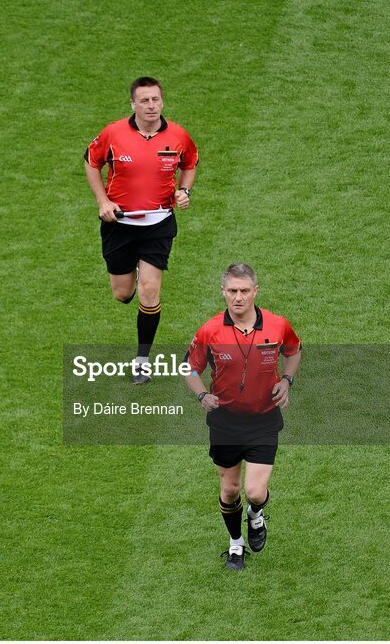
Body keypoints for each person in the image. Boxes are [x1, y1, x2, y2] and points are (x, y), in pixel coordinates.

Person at [184, 263, 302, 570]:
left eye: (245, 291)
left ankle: (256, 515)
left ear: (255, 292)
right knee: (231, 489)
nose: (238, 297)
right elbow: (190, 368)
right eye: (232, 291)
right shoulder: (210, 330)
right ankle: (236, 544)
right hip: (225, 422)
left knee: (254, 491)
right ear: (223, 292)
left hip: (263, 420)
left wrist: (286, 381)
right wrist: (201, 394)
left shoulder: (277, 325)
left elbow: (294, 350)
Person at [85, 76, 199, 384]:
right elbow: (91, 161)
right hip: (118, 224)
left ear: (162, 102)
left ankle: (141, 360)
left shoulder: (178, 136)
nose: (151, 106)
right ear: (133, 104)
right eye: (144, 100)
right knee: (123, 294)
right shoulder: (112, 133)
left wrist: (184, 192)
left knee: (150, 291)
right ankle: (132, 274)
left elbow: (190, 163)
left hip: (159, 224)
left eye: (155, 100)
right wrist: (103, 201)